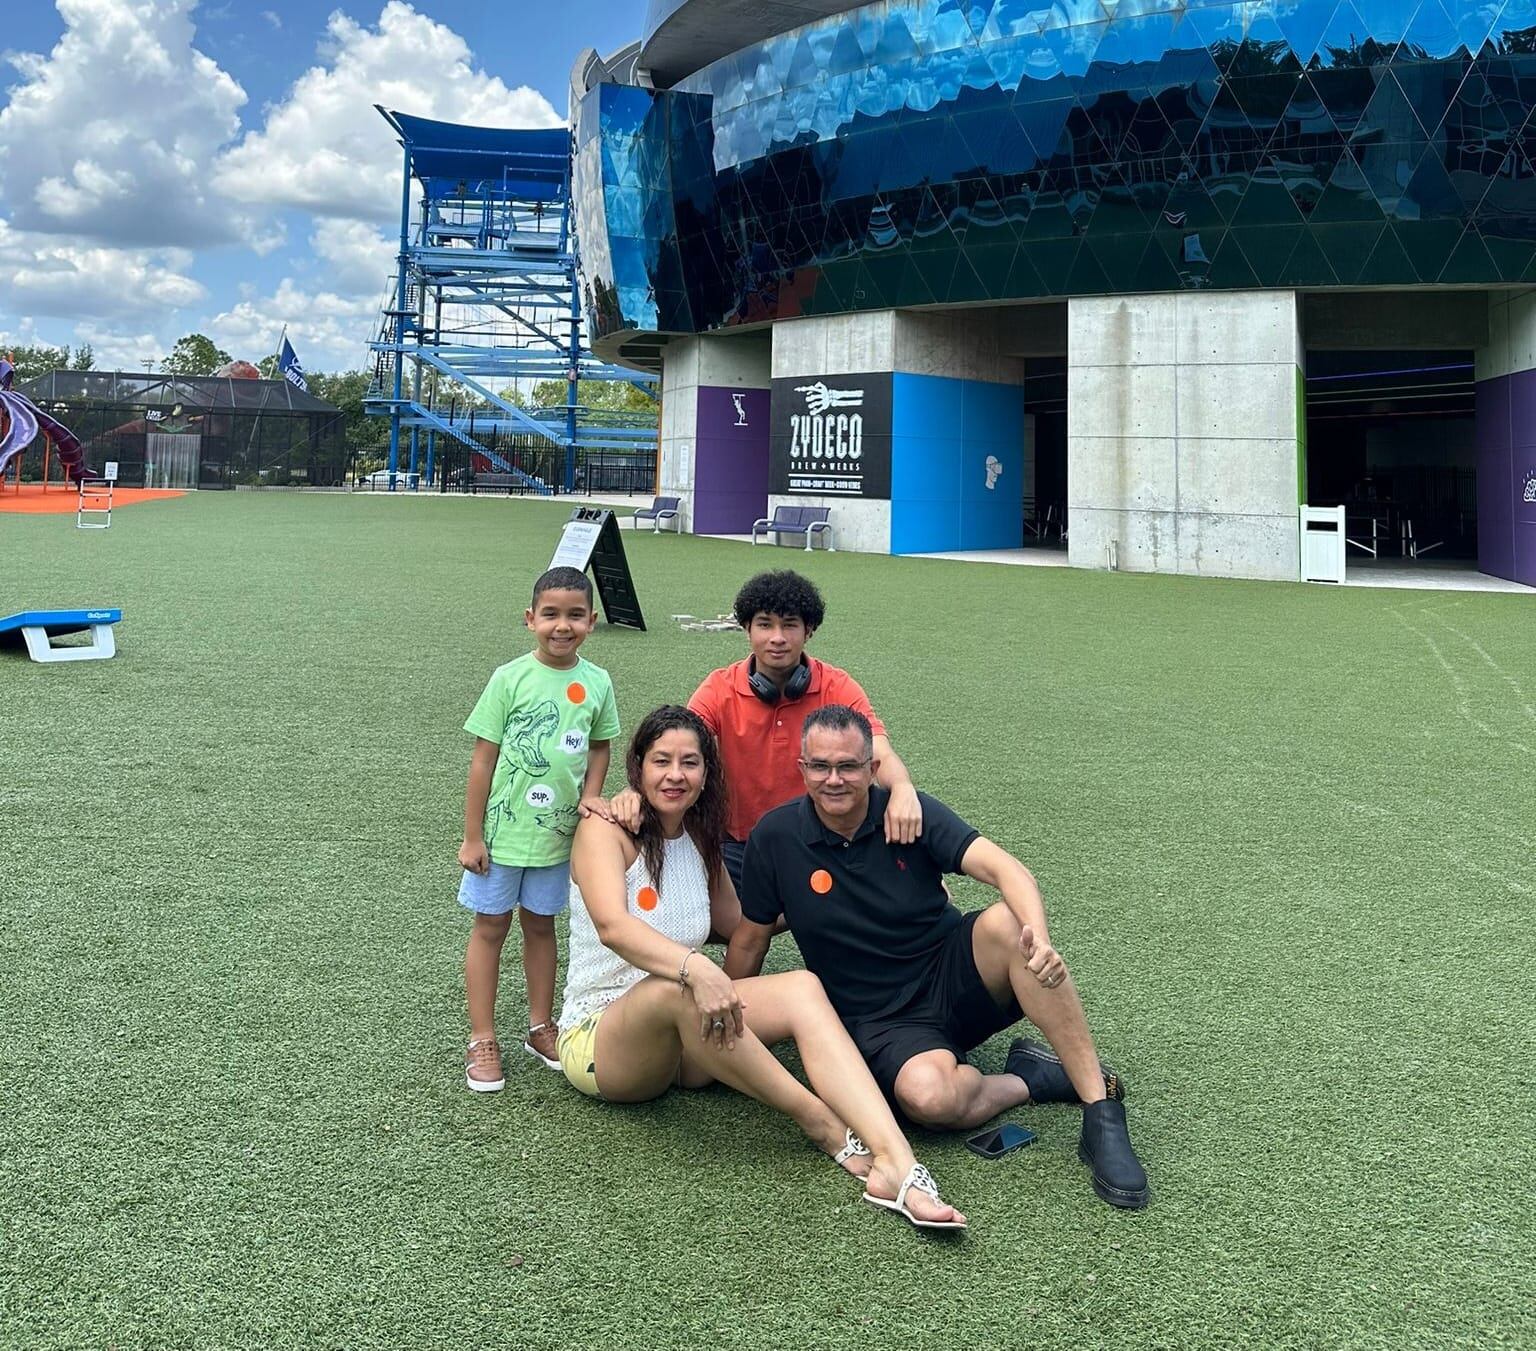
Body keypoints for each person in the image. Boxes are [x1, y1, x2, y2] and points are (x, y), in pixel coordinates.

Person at [725, 705, 1149, 1209]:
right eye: (820, 766)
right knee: (929, 1100)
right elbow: (751, 940)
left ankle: (1099, 1110)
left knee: (1011, 926)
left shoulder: (908, 813)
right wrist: (729, 1026)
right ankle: (1026, 1078)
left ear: (873, 769)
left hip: (950, 971)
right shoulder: (775, 838)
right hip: (877, 1017)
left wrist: (1041, 942)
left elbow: (1007, 871)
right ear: (801, 769)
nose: (833, 779)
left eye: (849, 767)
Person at [559, 706, 966, 1230]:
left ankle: (899, 1166)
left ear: (708, 773)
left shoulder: (701, 842)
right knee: (674, 986)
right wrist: (695, 969)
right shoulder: (605, 830)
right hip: (604, 1042)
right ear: (637, 767)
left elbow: (743, 923)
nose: (675, 775)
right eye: (661, 761)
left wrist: (864, 894)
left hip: (687, 1040)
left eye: (690, 762)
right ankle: (821, 1124)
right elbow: (613, 928)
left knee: (802, 986)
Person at [602, 570, 922, 893]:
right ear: (747, 629)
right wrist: (636, 792)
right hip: (735, 847)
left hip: (818, 841)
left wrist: (903, 788)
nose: (777, 637)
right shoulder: (719, 687)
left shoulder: (837, 686)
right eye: (765, 624)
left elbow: (879, 750)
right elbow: (676, 744)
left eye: (790, 625)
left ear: (809, 630)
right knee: (711, 917)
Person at [456, 565, 619, 1092]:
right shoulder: (509, 678)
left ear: (591, 621)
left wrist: (592, 795)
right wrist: (473, 836)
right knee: (490, 929)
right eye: (550, 615)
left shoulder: (596, 683)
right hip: (501, 838)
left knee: (542, 927)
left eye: (575, 615)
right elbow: (483, 761)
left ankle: (539, 1026)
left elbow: (600, 745)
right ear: (531, 620)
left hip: (557, 837)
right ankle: (483, 1037)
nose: (562, 626)